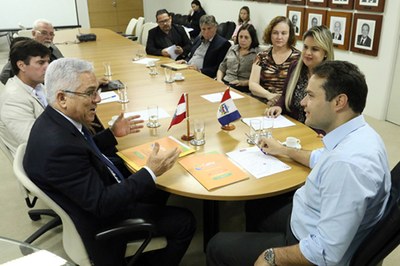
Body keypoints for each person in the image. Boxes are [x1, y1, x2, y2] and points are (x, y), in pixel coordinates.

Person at [206, 60, 391, 266]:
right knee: (257, 206)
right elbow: (321, 158)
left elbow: (325, 252)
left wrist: (272, 256)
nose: (302, 102)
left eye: (311, 96)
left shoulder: (347, 166)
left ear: (339, 102)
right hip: (309, 215)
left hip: (309, 243)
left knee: (216, 245)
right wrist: (284, 150)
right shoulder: (360, 134)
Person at [23, 58, 196, 266]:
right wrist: (150, 171)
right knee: (185, 221)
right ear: (62, 98)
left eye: (97, 91)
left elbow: (82, 150)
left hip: (95, 191)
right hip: (103, 221)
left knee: (161, 185)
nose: (98, 99)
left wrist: (111, 134)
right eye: (89, 93)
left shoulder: (54, 120)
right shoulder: (59, 148)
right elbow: (102, 204)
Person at [266, 26, 334, 131]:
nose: (307, 53)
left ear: (325, 53)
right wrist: (279, 106)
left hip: (315, 134)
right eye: (305, 47)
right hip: (291, 126)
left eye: (314, 49)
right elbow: (285, 95)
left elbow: (331, 117)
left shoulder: (332, 77)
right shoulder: (295, 67)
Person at [0, 39, 50, 156]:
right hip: (42, 160)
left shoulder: (38, 85)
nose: (47, 67)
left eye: (48, 62)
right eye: (41, 63)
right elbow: (35, 141)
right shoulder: (13, 99)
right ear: (21, 65)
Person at [249, 16, 300, 106]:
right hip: (262, 103)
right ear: (270, 34)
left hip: (287, 106)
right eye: (275, 33)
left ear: (290, 35)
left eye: (284, 33)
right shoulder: (261, 56)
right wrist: (269, 95)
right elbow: (252, 84)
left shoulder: (299, 58)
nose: (279, 37)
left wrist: (280, 101)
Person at [0, 18, 64, 85]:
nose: (48, 37)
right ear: (33, 34)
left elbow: (64, 66)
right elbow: (5, 75)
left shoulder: (53, 48)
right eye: (44, 33)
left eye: (51, 34)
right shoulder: (24, 50)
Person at [180, 15, 231, 79]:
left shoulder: (223, 44)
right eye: (203, 29)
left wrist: (199, 70)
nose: (206, 32)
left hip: (202, 76)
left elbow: (218, 68)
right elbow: (191, 56)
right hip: (187, 70)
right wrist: (185, 61)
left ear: (215, 27)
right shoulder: (198, 39)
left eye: (209, 28)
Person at [217, 24, 259, 93]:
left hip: (243, 87)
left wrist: (243, 83)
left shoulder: (257, 53)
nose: (242, 40)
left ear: (252, 38)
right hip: (225, 83)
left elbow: (259, 79)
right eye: (240, 37)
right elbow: (222, 68)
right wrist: (219, 80)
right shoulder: (232, 48)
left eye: (246, 37)